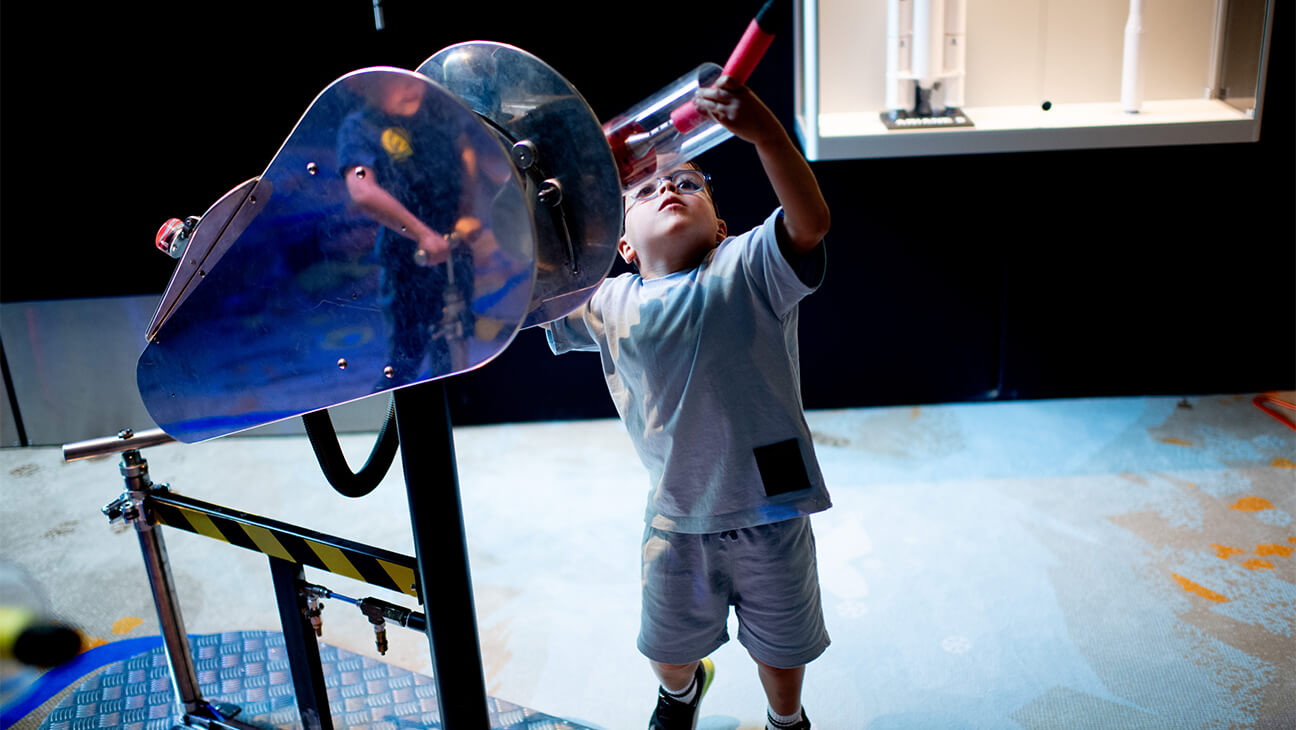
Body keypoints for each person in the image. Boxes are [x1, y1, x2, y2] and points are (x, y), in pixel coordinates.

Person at [544, 75, 832, 730]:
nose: (669, 187)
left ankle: (786, 721)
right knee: (667, 650)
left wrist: (763, 133)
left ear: (721, 223)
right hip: (676, 517)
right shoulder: (606, 301)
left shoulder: (749, 266)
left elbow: (810, 222)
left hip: (773, 508)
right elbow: (529, 289)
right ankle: (680, 693)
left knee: (782, 654)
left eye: (689, 183)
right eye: (644, 192)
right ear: (619, 245)